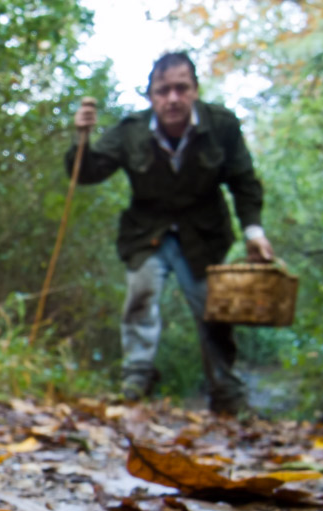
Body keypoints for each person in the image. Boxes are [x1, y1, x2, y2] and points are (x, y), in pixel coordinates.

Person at [70, 51, 274, 415]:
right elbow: (88, 173)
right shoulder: (131, 130)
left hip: (204, 236)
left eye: (182, 88)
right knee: (141, 296)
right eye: (163, 91)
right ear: (150, 95)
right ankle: (136, 381)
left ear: (195, 90)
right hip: (146, 233)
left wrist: (254, 232)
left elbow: (244, 182)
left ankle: (226, 393)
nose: (173, 99)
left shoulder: (221, 126)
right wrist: (81, 140)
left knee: (214, 312)